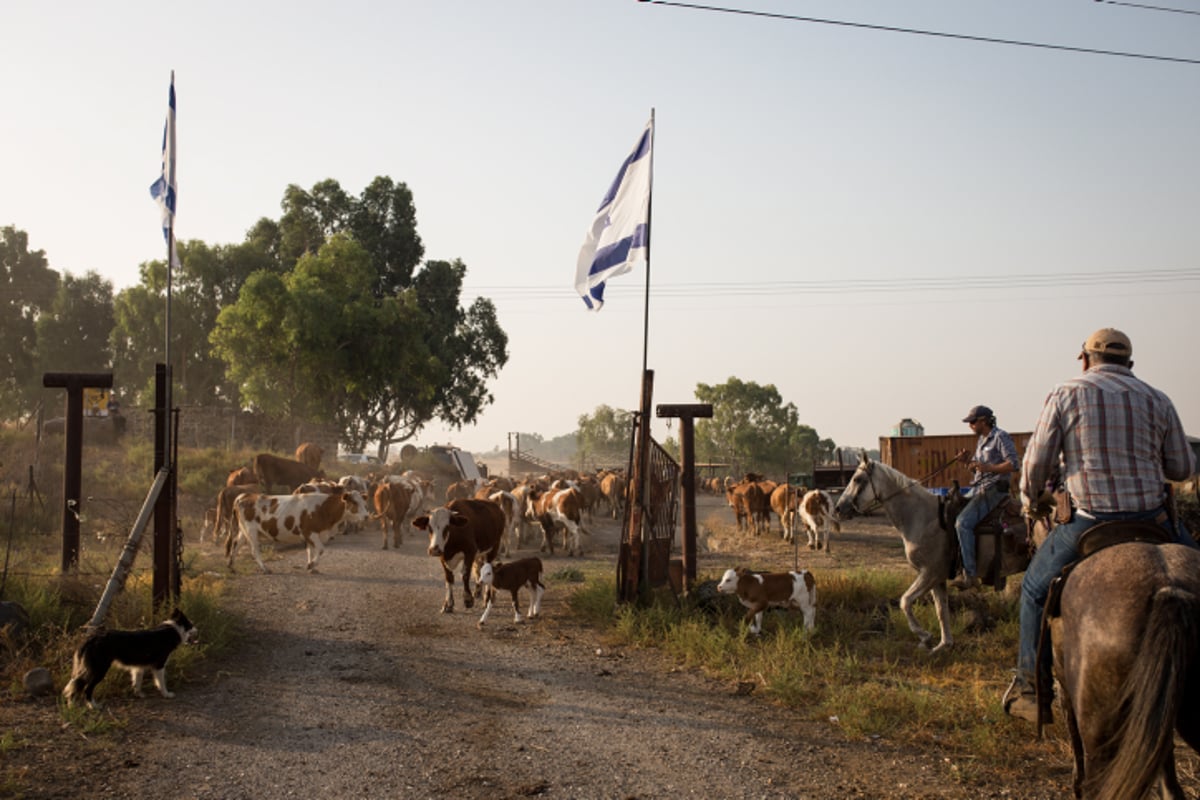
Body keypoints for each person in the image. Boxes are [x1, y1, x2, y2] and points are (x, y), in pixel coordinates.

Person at [1004, 327, 1197, 723]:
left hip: (1090, 524)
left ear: (1086, 359)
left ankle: (1032, 691)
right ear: (1130, 364)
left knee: (1034, 591)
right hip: (1155, 523)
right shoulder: (1159, 399)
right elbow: (1182, 467)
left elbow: (1036, 468)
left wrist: (1029, 497)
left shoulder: (1065, 393)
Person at [950, 405, 1019, 591]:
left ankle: (970, 574)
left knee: (962, 524)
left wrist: (990, 468)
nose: (970, 425)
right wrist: (967, 463)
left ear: (983, 421)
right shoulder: (981, 440)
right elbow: (978, 468)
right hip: (979, 487)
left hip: (994, 490)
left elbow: (1013, 464)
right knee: (949, 511)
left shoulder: (1000, 436)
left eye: (972, 422)